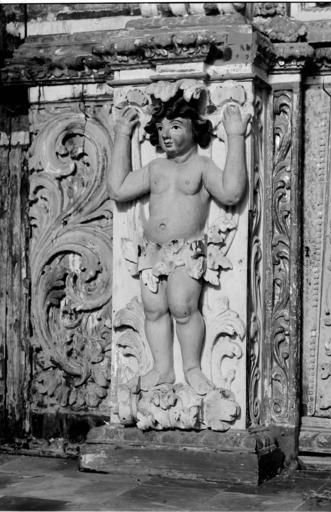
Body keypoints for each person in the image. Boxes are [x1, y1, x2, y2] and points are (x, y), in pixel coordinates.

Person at [108, 89, 249, 394]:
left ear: (194, 128)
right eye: (161, 128)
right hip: (152, 252)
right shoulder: (156, 168)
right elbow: (118, 189)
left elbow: (231, 193)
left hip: (186, 251)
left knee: (183, 307)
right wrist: (122, 135)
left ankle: (192, 368)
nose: (166, 134)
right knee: (154, 309)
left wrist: (235, 136)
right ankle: (162, 369)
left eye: (175, 126)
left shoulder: (201, 166)